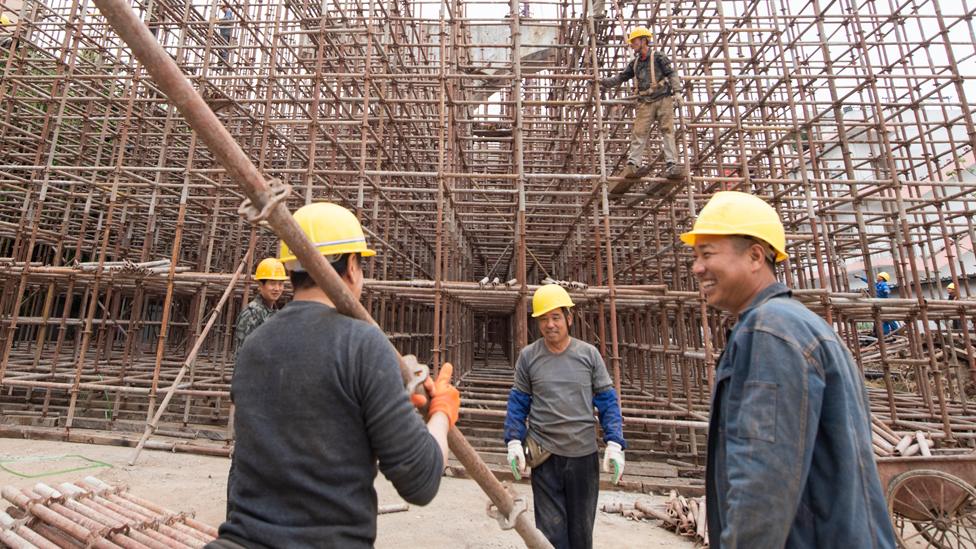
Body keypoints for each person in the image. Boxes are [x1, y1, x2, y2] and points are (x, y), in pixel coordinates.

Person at [212, 202, 460, 548]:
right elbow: (421, 480)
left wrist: (386, 401)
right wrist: (441, 415)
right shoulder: (362, 344)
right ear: (353, 267)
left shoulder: (255, 344)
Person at [681, 191, 896, 548]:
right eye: (695, 256)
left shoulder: (770, 333)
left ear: (754, 256)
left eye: (707, 254)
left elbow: (763, 478)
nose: (696, 267)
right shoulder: (800, 325)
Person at [503, 284, 626, 549]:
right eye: (543, 319)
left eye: (556, 317)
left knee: (581, 533)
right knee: (549, 534)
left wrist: (615, 444)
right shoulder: (529, 357)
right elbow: (518, 403)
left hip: (582, 457)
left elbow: (607, 402)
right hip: (544, 457)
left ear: (569, 318)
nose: (550, 325)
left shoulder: (588, 355)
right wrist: (513, 441)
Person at [599, 26, 683, 187]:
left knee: (667, 131)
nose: (632, 44)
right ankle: (634, 163)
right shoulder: (635, 63)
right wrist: (603, 82)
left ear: (644, 40)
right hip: (646, 102)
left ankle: (671, 163)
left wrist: (677, 91)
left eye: (634, 41)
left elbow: (671, 73)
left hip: (663, 98)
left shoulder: (658, 57)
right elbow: (621, 77)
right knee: (639, 132)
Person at [233, 257, 287, 352]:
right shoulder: (251, 314)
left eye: (280, 284)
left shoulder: (276, 313)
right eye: (272, 283)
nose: (277, 288)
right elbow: (244, 354)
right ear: (261, 285)